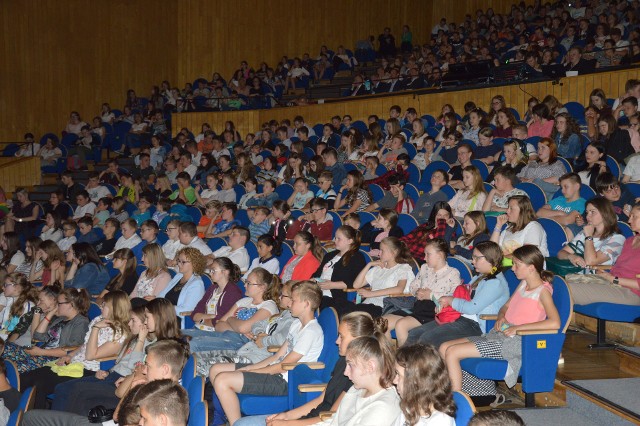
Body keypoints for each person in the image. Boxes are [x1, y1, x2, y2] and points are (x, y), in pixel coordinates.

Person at [441, 245, 560, 399]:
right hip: (501, 333)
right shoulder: (523, 284)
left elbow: (554, 323)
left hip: (517, 342)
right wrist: (501, 316)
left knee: (452, 352)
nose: (512, 268)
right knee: (445, 347)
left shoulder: (542, 292)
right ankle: (477, 392)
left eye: (517, 264)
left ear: (531, 268)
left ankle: (455, 400)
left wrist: (518, 328)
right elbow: (505, 306)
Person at [210, 281, 324, 426]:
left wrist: (255, 371)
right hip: (276, 372)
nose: (289, 304)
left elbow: (284, 366)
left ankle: (235, 423)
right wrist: (251, 368)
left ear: (306, 304)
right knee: (216, 369)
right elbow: (276, 356)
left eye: (293, 301)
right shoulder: (296, 324)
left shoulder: (311, 331)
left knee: (222, 380)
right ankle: (226, 415)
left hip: (285, 381)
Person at [49, 298, 181, 415]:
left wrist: (140, 341)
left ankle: (63, 421)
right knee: (65, 389)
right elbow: (121, 362)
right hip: (117, 377)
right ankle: (57, 420)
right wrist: (107, 371)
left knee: (79, 393)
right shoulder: (142, 338)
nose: (145, 322)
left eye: (147, 317)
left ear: (157, 318)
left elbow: (135, 368)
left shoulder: (161, 346)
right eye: (144, 318)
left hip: (128, 387)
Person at [22, 290, 131, 409]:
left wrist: (95, 329)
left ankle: (42, 418)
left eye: (105, 305)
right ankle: (17, 414)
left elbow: (90, 355)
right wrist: (69, 355)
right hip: (75, 362)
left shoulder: (120, 333)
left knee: (41, 384)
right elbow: (84, 345)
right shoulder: (98, 319)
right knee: (29, 376)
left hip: (88, 369)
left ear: (115, 308)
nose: (101, 306)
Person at [406, 241, 510, 349]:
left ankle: (419, 365)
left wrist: (450, 300)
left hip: (475, 325)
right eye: (473, 257)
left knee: (427, 339)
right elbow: (461, 296)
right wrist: (444, 301)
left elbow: (471, 308)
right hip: (460, 318)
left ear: (490, 259)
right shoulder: (480, 277)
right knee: (414, 333)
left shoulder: (495, 282)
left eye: (477, 258)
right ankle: (404, 364)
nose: (473, 261)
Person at [383, 239, 461, 346]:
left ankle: (405, 360)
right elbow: (413, 286)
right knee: (382, 323)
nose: (424, 258)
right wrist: (417, 292)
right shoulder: (424, 268)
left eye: (428, 254)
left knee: (401, 325)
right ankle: (388, 359)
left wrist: (431, 295)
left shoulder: (453, 273)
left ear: (440, 255)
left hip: (434, 311)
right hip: (418, 307)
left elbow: (455, 297)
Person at [185, 267, 279, 353]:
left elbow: (242, 328)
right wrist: (238, 327)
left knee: (193, 343)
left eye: (249, 283)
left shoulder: (269, 306)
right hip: (224, 335)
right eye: (245, 282)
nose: (245, 285)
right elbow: (219, 325)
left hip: (242, 344)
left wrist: (230, 320)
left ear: (262, 287)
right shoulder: (243, 301)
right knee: (180, 334)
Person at [314, 332, 400, 425]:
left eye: (350, 365)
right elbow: (334, 422)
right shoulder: (355, 389)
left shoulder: (383, 408)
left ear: (370, 367)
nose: (345, 373)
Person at [566, 202, 640, 306]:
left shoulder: (620, 238)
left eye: (634, 217)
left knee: (565, 290)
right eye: (630, 215)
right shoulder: (630, 240)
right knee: (558, 284)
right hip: (613, 283)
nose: (629, 220)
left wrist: (614, 279)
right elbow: (620, 267)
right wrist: (605, 273)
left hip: (632, 293)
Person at [2, 287, 90, 373]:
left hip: (53, 359)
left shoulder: (81, 322)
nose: (56, 306)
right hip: (41, 353)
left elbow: (71, 349)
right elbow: (38, 336)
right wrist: (50, 314)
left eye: (59, 303)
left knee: (15, 367)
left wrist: (41, 352)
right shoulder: (60, 319)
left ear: (71, 304)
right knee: (4, 348)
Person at [393, 344, 457, 426]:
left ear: (416, 381)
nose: (394, 381)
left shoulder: (440, 422)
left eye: (398, 374)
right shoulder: (411, 405)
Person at [558, 197, 625, 273]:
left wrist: (589, 237)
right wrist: (571, 256)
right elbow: (561, 253)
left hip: (595, 280)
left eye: (592, 212)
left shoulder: (618, 239)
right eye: (587, 212)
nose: (587, 216)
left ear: (605, 214)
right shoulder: (585, 232)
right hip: (575, 275)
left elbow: (590, 261)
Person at [352, 237, 416, 317]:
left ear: (394, 253)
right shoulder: (378, 268)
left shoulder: (402, 268)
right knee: (347, 310)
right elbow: (356, 285)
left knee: (354, 314)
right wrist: (369, 265)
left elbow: (399, 288)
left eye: (382, 251)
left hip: (385, 306)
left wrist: (371, 293)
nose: (379, 254)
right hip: (368, 304)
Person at [314, 226, 367, 313]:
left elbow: (356, 282)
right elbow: (317, 274)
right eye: (335, 238)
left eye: (339, 239)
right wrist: (314, 279)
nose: (335, 241)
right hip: (318, 291)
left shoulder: (357, 257)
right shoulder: (329, 255)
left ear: (350, 241)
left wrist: (333, 285)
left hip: (334, 296)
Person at [491, 196, 549, 262]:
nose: (507, 211)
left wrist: (500, 259)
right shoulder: (509, 228)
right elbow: (492, 250)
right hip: (507, 266)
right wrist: (498, 226)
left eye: (511, 208)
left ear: (522, 211)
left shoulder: (534, 227)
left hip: (527, 268)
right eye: (508, 207)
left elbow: (527, 253)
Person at [158, 247, 206, 326]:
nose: (179, 264)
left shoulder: (197, 284)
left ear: (194, 264)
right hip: (164, 313)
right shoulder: (179, 276)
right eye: (178, 261)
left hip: (177, 319)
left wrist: (164, 308)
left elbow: (186, 310)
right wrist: (156, 303)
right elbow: (162, 294)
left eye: (183, 262)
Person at [536, 172, 586, 239]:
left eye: (566, 187)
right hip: (543, 230)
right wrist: (560, 213)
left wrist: (547, 217)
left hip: (558, 235)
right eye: (561, 187)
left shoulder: (582, 203)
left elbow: (567, 221)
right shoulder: (559, 199)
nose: (562, 191)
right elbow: (539, 213)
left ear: (577, 186)